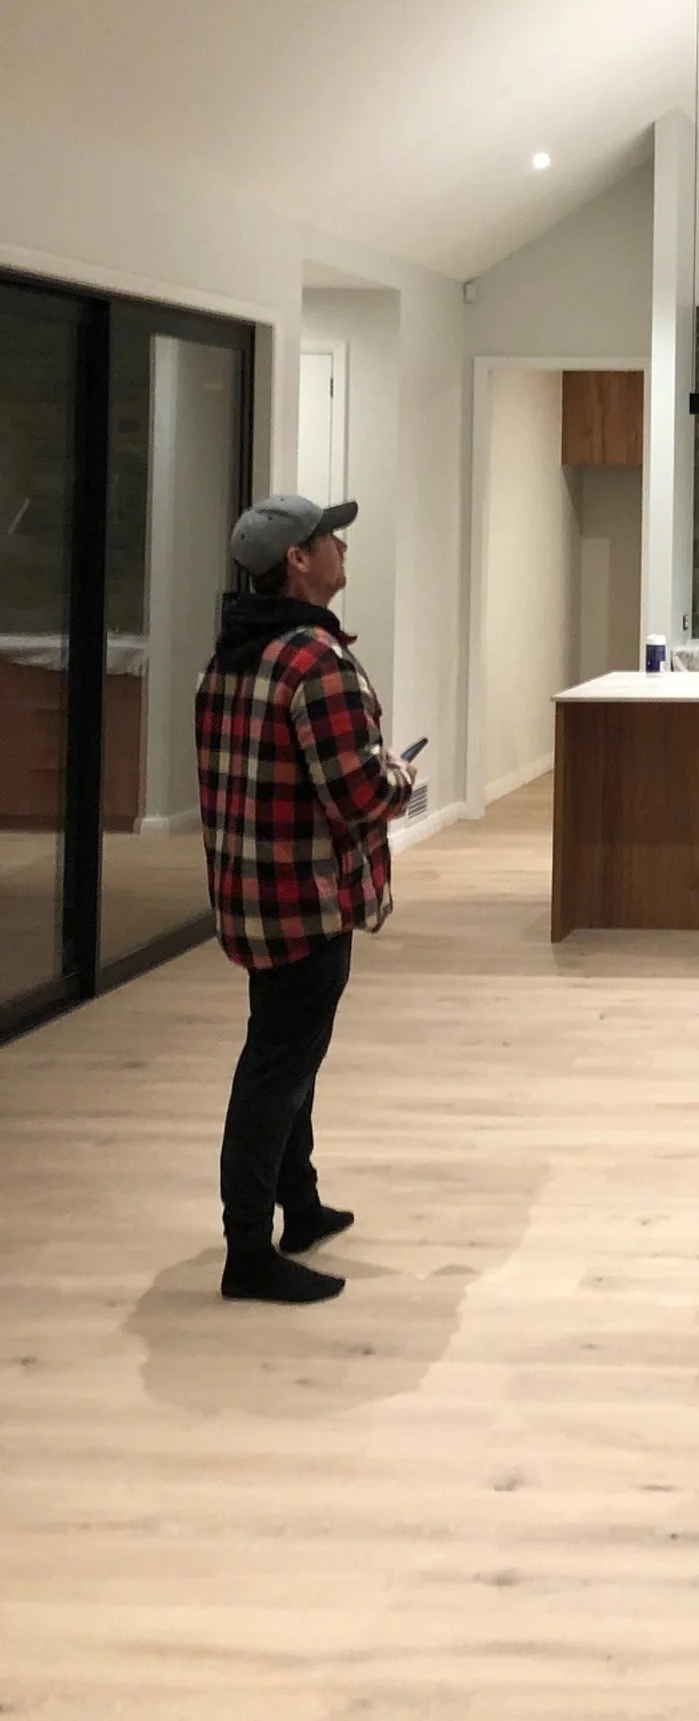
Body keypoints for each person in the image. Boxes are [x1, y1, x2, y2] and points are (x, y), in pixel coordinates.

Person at [194, 493, 415, 1305]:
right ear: (297, 560)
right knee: (276, 1069)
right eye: (329, 538)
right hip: (307, 898)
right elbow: (360, 794)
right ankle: (248, 1249)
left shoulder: (228, 659)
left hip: (250, 896)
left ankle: (302, 1203)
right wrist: (403, 778)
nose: (341, 548)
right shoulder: (315, 663)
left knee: (291, 1053)